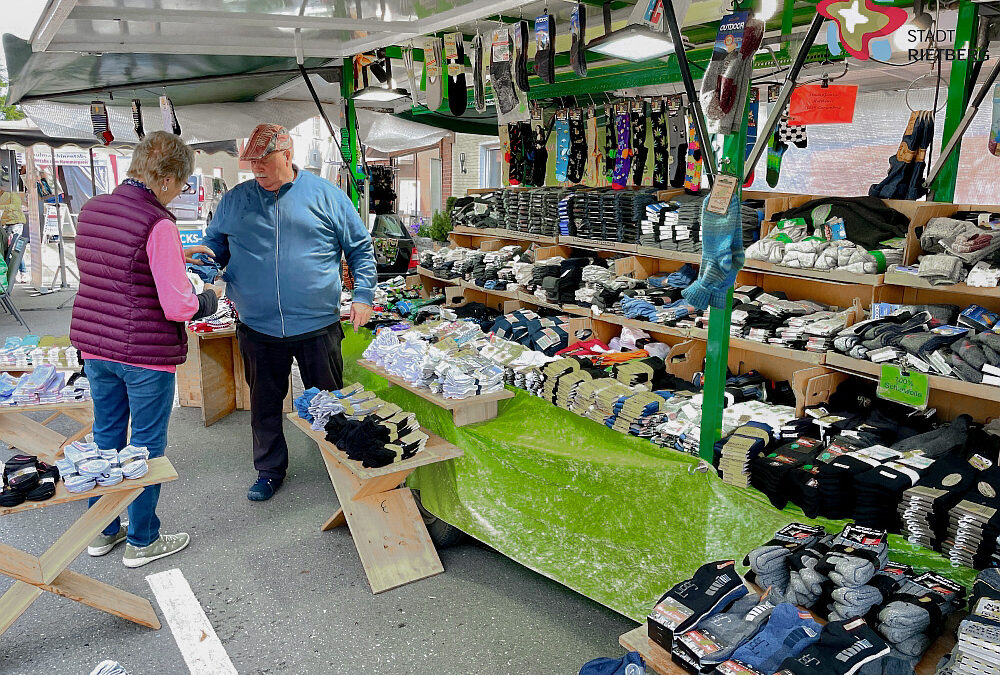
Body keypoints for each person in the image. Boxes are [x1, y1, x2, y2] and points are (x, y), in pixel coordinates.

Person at [201, 123, 377, 502]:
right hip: (257, 326)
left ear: (287, 155)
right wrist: (202, 277)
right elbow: (213, 246)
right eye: (252, 162)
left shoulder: (327, 196)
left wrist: (363, 294)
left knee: (329, 402)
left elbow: (360, 249)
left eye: (264, 160)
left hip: (317, 325)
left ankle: (339, 462)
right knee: (264, 404)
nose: (256, 169)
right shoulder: (235, 200)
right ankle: (268, 470)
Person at [71, 131, 220, 568]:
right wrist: (206, 296)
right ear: (170, 179)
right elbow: (178, 306)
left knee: (106, 441)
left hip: (97, 345)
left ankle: (101, 531)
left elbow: (118, 268)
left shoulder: (94, 210)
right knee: (146, 447)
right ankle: (143, 539)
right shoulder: (158, 224)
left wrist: (178, 251)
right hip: (144, 355)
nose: (180, 194)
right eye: (182, 185)